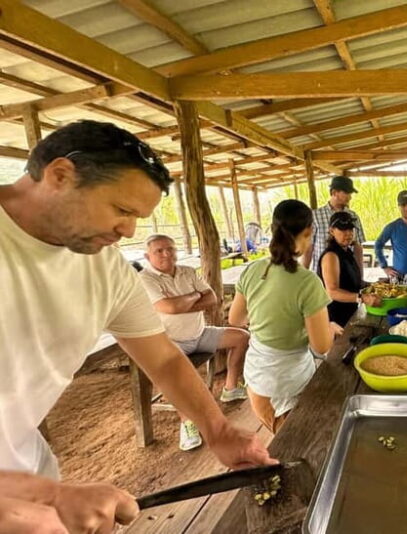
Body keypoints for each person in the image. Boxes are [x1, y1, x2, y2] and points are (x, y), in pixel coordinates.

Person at [0, 120, 273, 533]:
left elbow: (163, 357)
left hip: (26, 468)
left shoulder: (105, 266)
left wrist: (217, 430)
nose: (129, 230)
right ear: (59, 176)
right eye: (122, 210)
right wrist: (44, 498)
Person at [229, 199, 342, 434]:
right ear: (309, 232)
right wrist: (328, 328)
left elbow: (236, 319)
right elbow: (321, 346)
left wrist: (269, 320)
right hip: (286, 385)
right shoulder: (308, 282)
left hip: (257, 379)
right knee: (297, 444)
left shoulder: (252, 270)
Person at [140, 234, 250, 452]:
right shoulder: (145, 278)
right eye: (159, 251)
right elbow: (168, 309)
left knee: (242, 337)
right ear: (147, 256)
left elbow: (211, 299)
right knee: (170, 372)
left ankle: (230, 388)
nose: (166, 254)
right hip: (170, 341)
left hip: (199, 334)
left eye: (170, 248)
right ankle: (187, 423)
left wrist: (181, 302)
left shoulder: (187, 271)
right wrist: (193, 296)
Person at [319, 212, 382, 327]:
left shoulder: (347, 252)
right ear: (332, 231)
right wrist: (361, 298)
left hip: (349, 315)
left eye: (351, 230)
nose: (348, 234)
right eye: (343, 230)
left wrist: (376, 285)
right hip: (334, 320)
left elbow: (358, 283)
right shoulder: (331, 256)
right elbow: (332, 292)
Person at [303, 175, 366, 275]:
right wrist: (304, 274)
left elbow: (357, 247)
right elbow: (308, 248)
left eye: (350, 193)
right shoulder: (315, 216)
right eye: (346, 193)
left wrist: (360, 275)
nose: (350, 197)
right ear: (334, 192)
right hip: (322, 274)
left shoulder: (353, 216)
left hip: (347, 274)